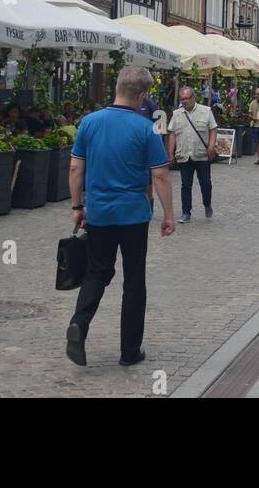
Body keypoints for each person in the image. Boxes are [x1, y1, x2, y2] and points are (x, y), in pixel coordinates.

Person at [67, 66, 174, 368]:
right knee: (134, 280)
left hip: (99, 213)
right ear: (141, 96)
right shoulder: (145, 128)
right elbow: (161, 175)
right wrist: (168, 215)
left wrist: (78, 207)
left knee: (97, 273)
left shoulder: (89, 122)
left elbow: (76, 169)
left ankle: (79, 323)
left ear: (116, 88)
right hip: (133, 215)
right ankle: (129, 351)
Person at [166, 86, 218, 223]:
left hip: (201, 154)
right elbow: (172, 134)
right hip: (184, 154)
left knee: (206, 183)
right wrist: (170, 153)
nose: (184, 101)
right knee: (186, 185)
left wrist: (211, 146)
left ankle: (207, 204)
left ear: (193, 98)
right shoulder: (177, 114)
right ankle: (186, 212)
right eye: (182, 99)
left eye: (186, 99)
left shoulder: (206, 111)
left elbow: (213, 129)